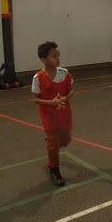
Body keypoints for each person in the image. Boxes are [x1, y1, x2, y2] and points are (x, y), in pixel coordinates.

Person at [32, 41, 74, 187]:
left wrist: (64, 98)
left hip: (64, 114)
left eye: (58, 56)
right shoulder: (38, 78)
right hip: (49, 116)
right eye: (54, 56)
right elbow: (35, 99)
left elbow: (71, 91)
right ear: (43, 59)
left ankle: (54, 143)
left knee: (66, 139)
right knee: (53, 143)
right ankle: (54, 169)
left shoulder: (65, 73)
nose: (58, 59)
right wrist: (51, 102)